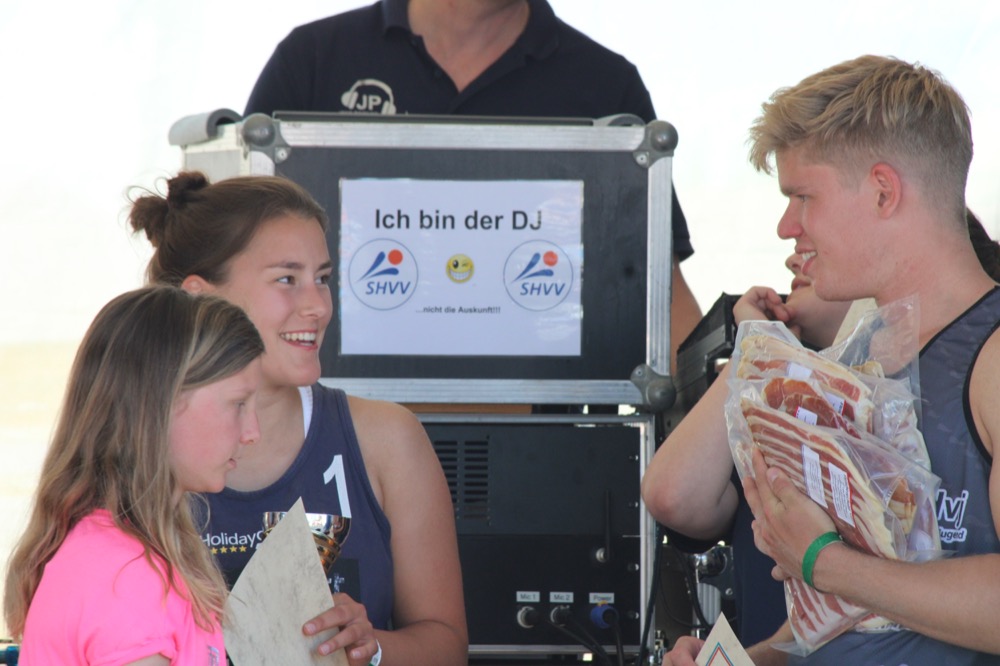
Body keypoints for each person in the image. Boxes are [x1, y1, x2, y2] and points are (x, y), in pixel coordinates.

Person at [668, 54, 1000, 665]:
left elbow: (837, 572)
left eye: (803, 196)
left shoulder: (991, 358)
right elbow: (853, 622)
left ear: (882, 192)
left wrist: (825, 562)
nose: (785, 226)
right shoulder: (858, 362)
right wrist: (750, 659)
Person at [244, 0, 702, 366]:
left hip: (539, 433)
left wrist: (711, 398)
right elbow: (234, 257)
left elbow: (659, 292)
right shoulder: (314, 59)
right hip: (326, 417)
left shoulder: (605, 84)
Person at [128, 172, 468, 665]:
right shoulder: (129, 450)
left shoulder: (386, 439)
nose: (318, 306)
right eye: (287, 279)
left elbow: (447, 646)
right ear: (199, 296)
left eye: (322, 279)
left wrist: (370, 648)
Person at [3, 286, 264, 664]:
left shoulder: (121, 557)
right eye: (238, 403)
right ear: (164, 402)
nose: (253, 431)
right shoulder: (127, 578)